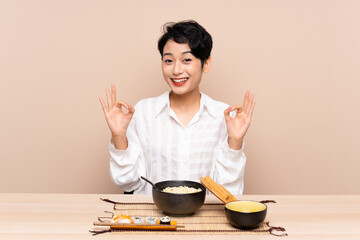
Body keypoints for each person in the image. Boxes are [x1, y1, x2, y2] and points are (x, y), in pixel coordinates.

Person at [99, 20, 255, 194]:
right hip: (153, 218)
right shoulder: (144, 111)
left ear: (206, 64)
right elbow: (128, 183)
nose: (176, 70)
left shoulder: (224, 116)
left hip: (205, 218)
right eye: (168, 61)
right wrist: (119, 136)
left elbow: (229, 193)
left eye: (186, 59)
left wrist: (235, 142)